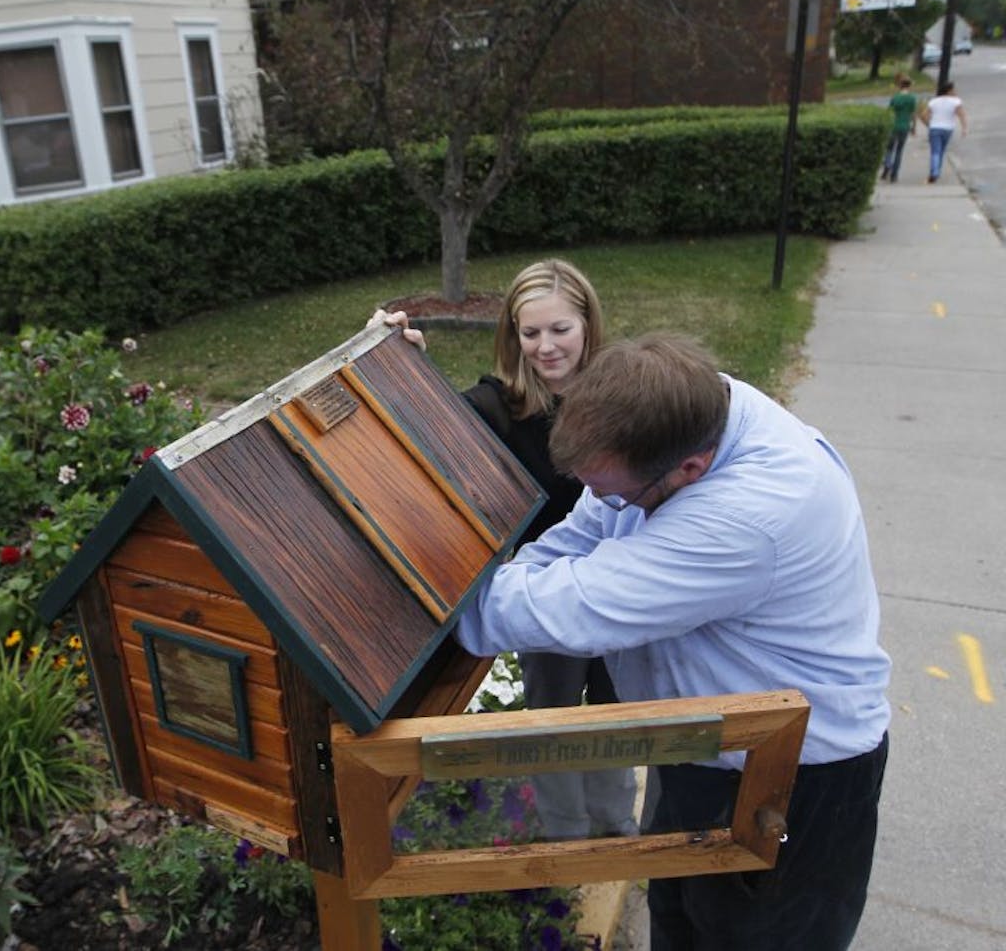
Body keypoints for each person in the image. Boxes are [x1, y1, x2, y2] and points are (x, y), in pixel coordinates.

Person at [455, 333, 891, 951]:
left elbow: (579, 603)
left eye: (614, 491)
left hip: (790, 783)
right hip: (709, 755)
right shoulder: (689, 416)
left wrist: (423, 606)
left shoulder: (748, 518)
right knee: (682, 924)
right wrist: (517, 568)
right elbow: (585, 529)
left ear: (690, 468)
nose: (602, 500)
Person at [374, 258, 639, 840]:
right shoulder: (498, 407)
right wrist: (404, 365)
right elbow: (434, 429)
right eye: (530, 332)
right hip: (543, 600)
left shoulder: (621, 396)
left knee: (621, 716)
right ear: (513, 335)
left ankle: (617, 829)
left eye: (560, 329)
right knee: (552, 718)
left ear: (588, 325)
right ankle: (566, 836)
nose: (546, 346)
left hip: (623, 586)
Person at [921, 80, 967, 183]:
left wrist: (928, 124)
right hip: (948, 129)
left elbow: (924, 115)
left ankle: (934, 172)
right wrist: (964, 128)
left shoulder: (934, 101)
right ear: (949, 91)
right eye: (953, 89)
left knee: (935, 151)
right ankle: (937, 171)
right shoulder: (956, 102)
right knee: (941, 150)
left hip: (935, 128)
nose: (955, 91)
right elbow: (961, 115)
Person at [880, 75, 916, 183]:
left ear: (900, 85)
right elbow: (913, 114)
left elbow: (889, 111)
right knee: (899, 151)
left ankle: (886, 167)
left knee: (889, 149)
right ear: (909, 86)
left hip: (893, 126)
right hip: (904, 126)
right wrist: (914, 127)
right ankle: (894, 175)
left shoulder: (895, 98)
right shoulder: (912, 98)